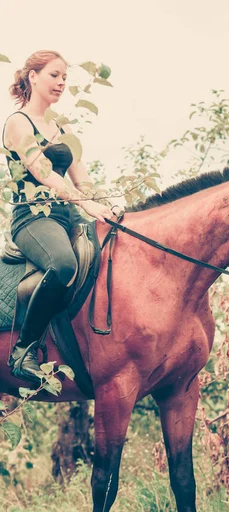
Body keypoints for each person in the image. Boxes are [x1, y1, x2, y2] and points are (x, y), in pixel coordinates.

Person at [2, 49, 114, 386]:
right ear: (33, 77)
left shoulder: (61, 125)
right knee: (63, 264)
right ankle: (23, 350)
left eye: (65, 77)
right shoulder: (17, 123)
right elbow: (43, 170)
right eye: (55, 75)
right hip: (32, 216)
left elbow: (82, 177)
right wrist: (85, 203)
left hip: (67, 213)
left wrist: (102, 204)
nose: (62, 82)